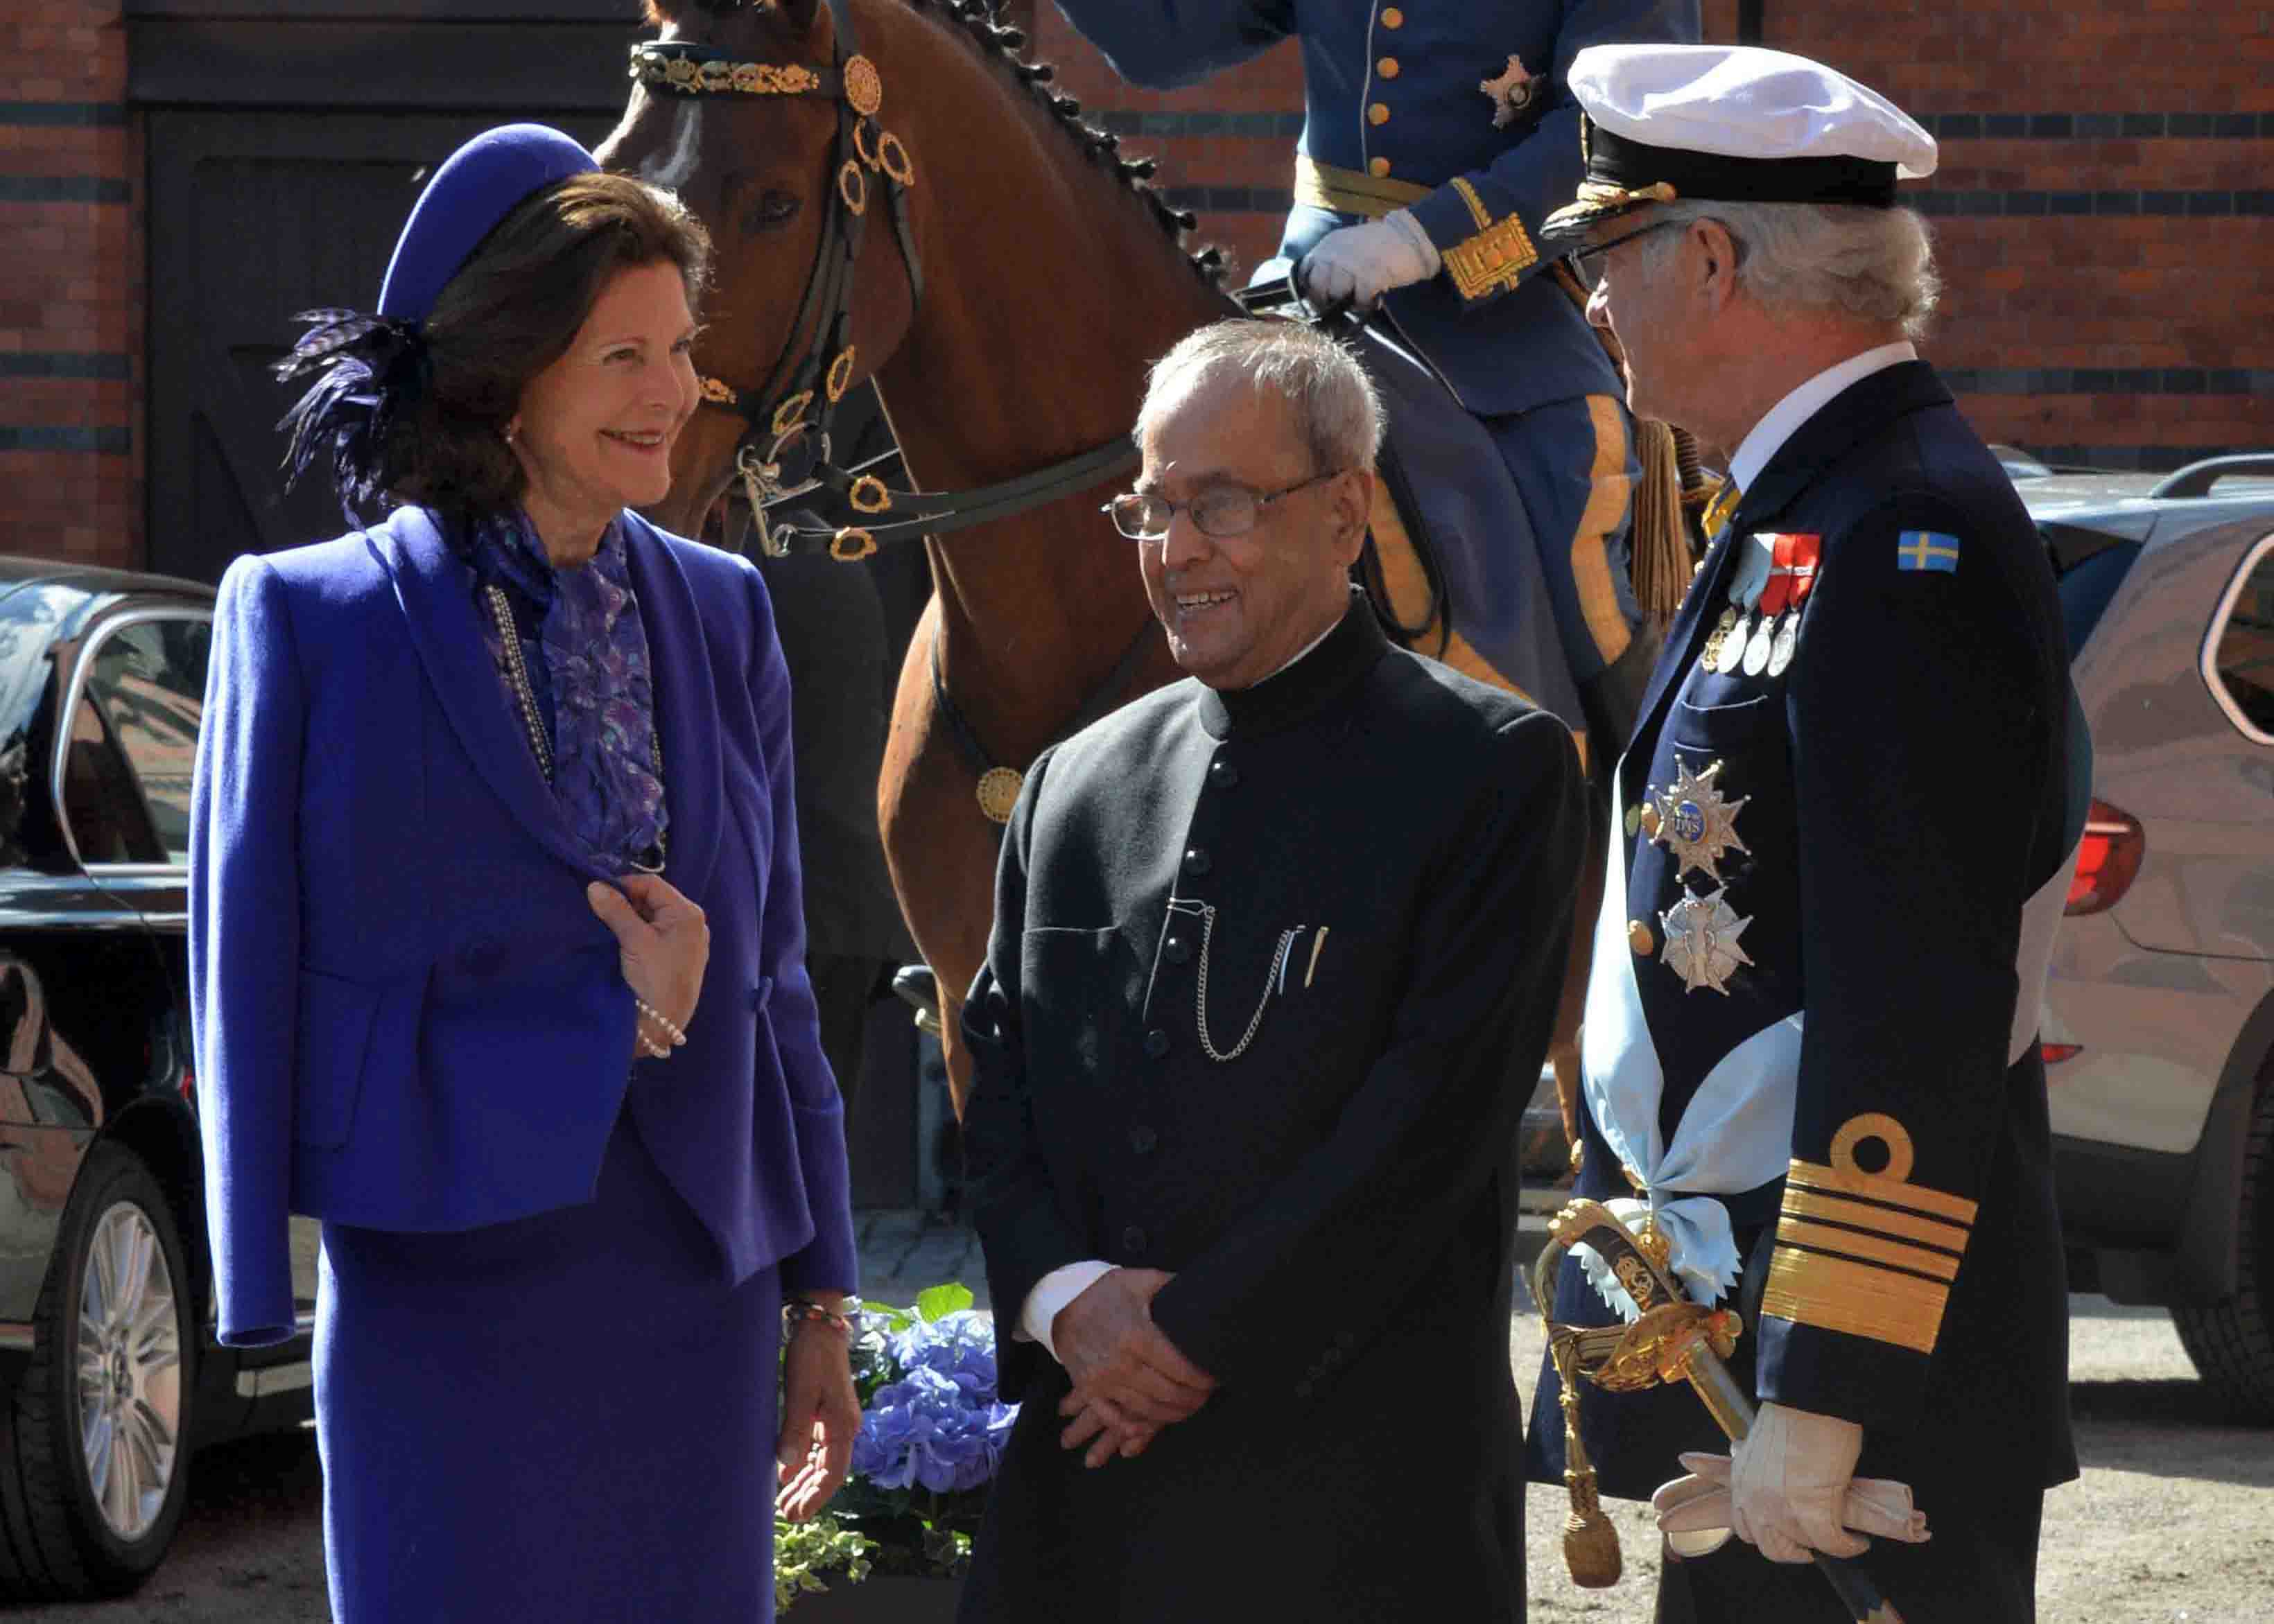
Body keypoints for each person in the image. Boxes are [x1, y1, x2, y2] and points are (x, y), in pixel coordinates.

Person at [189, 125, 860, 1622]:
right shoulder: (308, 618)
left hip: (697, 1284)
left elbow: (780, 978)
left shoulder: (730, 609)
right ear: (505, 372)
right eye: (622, 354)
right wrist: (249, 1277)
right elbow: (248, 954)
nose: (674, 394)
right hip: (441, 1286)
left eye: (680, 350)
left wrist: (823, 1295)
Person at [1526, 45, 2083, 1621]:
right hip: (1746, 1331)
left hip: (1854, 1381)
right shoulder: (1800, 505)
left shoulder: (1903, 527)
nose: (1586, 298)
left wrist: (1827, 1381)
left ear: (1707, 259)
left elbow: (1912, 989)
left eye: (1605, 253)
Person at [957, 317, 1588, 1621]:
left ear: (1346, 511)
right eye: (1152, 507)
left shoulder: (1491, 772)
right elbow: (1000, 1079)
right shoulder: (1074, 782)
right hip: (1088, 1503)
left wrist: (1188, 1335)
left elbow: (1426, 1129)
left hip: (1352, 1509)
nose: (1177, 549)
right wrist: (1072, 1305)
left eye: (1225, 503)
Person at [1048, 0, 1696, 753]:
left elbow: (1616, 127)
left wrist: (1424, 239)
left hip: (1501, 319)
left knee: (1578, 555)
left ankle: (1642, 811)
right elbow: (1163, 43)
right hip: (1308, 290)